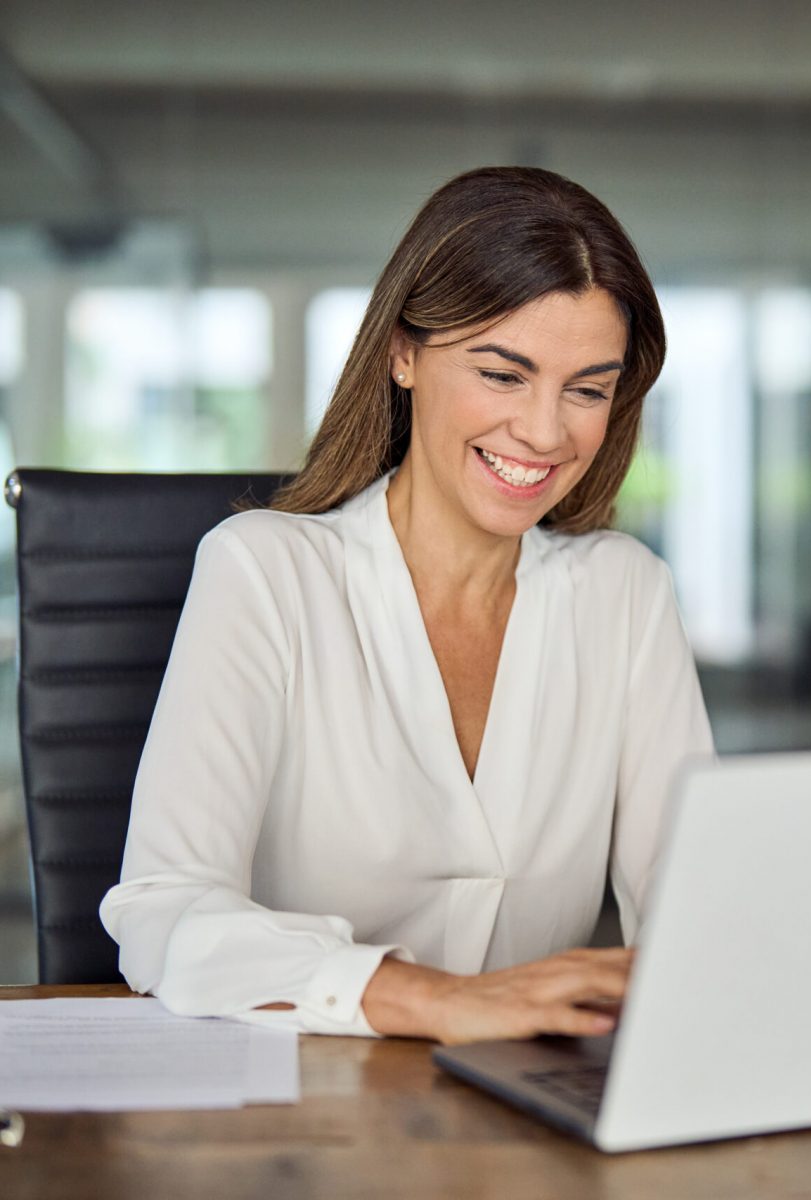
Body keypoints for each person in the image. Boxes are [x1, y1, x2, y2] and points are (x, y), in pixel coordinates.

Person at [100, 166, 713, 1043]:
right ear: (403, 352)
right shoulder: (266, 572)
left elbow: (695, 914)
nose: (546, 433)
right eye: (504, 374)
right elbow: (163, 914)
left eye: (587, 389)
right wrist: (436, 1000)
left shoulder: (625, 594)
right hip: (301, 1121)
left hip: (529, 1128)